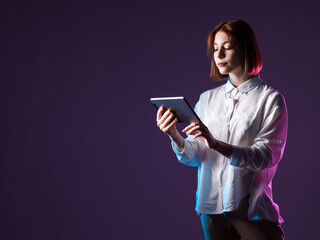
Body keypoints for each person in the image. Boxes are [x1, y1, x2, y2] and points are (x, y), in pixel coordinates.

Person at [156, 19, 287, 240]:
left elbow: (266, 156)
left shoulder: (270, 99)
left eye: (227, 47)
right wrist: (174, 135)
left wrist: (217, 144)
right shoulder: (207, 99)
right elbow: (196, 156)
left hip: (249, 208)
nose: (219, 55)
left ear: (245, 49)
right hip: (210, 208)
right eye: (215, 49)